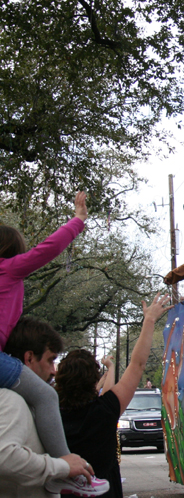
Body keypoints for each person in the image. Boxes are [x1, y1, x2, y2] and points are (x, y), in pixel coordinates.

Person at [0, 192, 109, 495]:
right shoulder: (7, 268)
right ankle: (66, 469)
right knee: (46, 396)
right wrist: (78, 220)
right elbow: (47, 250)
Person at [55, 294, 172, 498]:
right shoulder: (105, 409)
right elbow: (137, 365)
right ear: (94, 381)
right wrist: (149, 320)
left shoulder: (48, 416)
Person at [3, 316, 107, 496]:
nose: (53, 370)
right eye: (50, 360)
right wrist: (62, 467)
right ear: (29, 358)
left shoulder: (28, 402)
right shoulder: (12, 401)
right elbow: (4, 456)